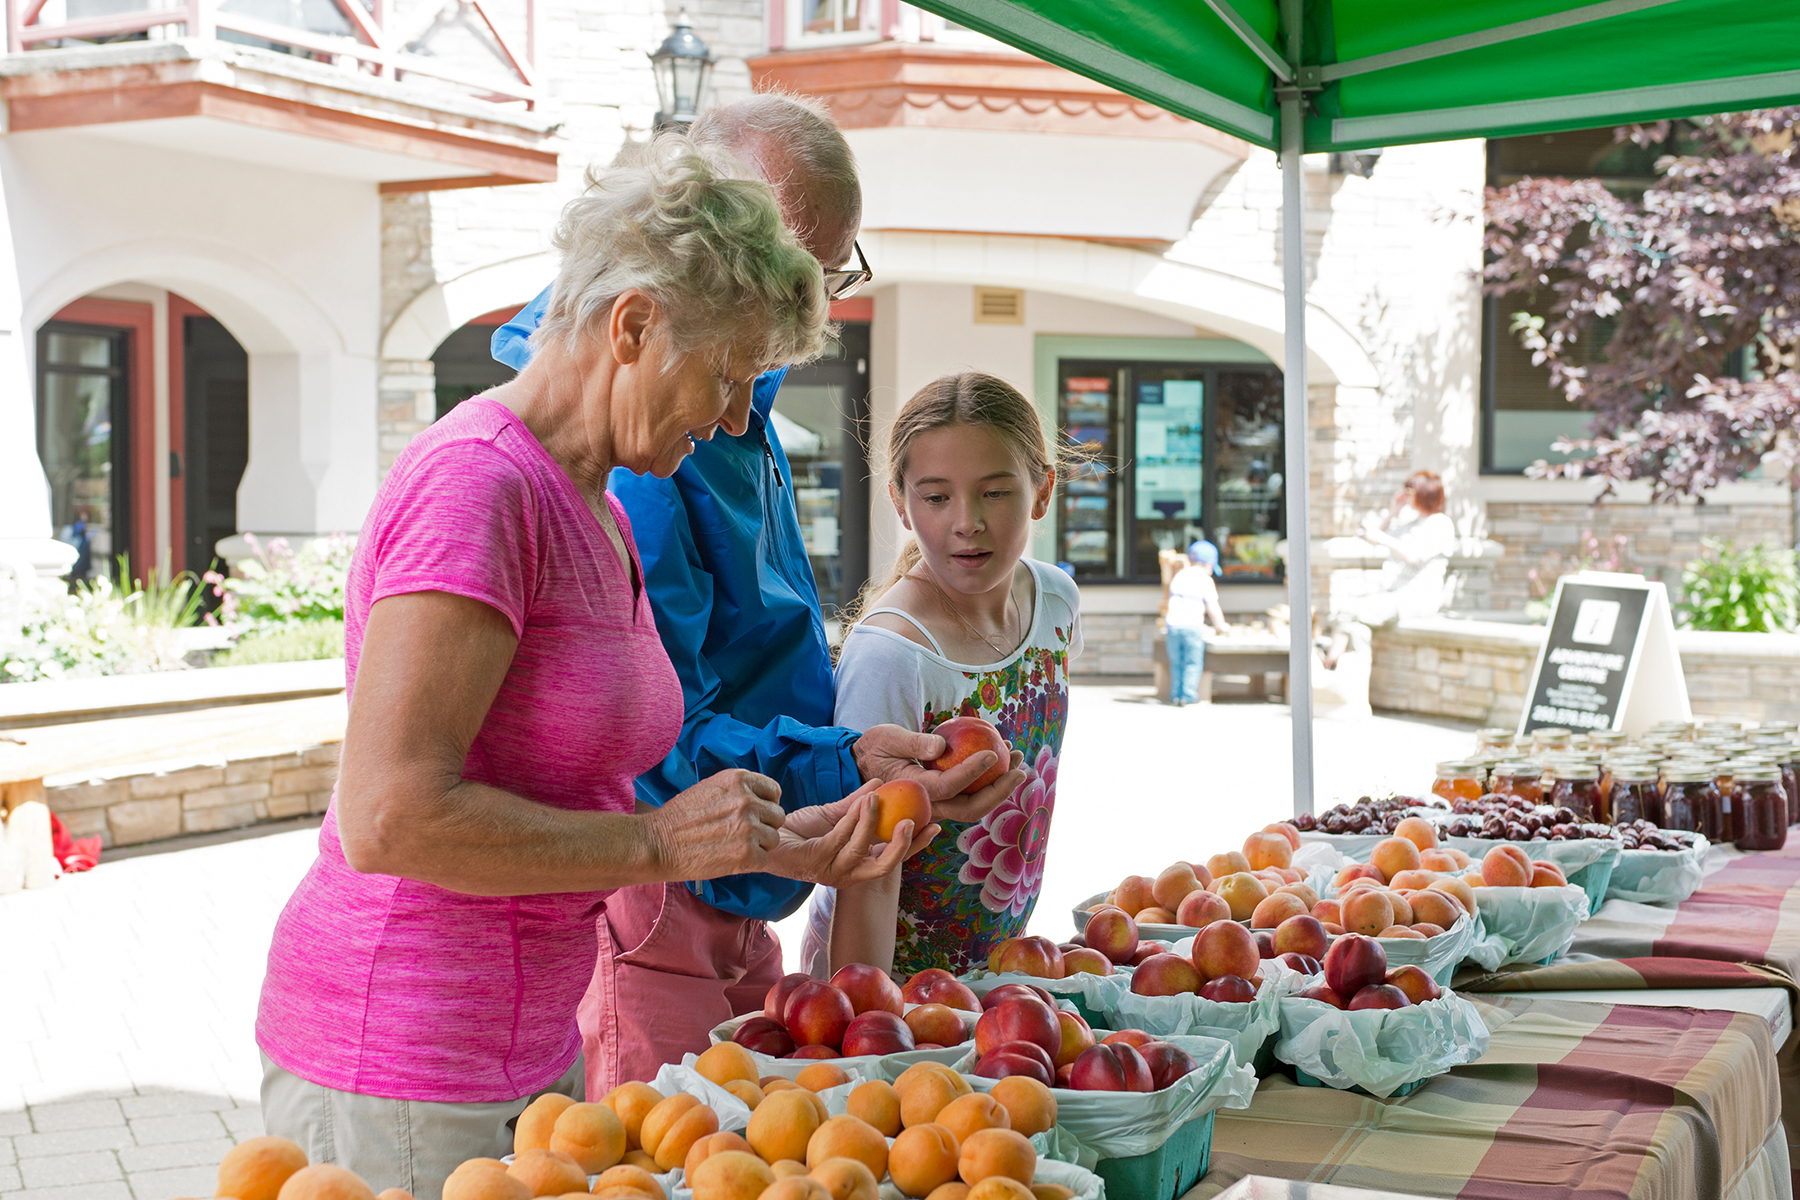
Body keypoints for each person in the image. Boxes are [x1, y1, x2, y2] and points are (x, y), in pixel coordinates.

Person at [254, 137, 919, 1200]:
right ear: (635, 325)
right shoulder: (479, 487)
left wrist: (781, 837)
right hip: (406, 1051)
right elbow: (388, 817)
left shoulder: (597, 505)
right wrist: (656, 843)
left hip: (523, 1038)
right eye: (730, 373)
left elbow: (585, 781)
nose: (738, 417)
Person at [491, 95, 1026, 1099]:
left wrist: (859, 765)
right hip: (663, 891)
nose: (810, 315)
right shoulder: (621, 445)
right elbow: (656, 742)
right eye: (801, 277)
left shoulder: (738, 399)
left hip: (741, 872)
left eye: (833, 276)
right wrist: (844, 763)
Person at [803, 372, 1083, 979]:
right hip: (885, 985)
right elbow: (869, 863)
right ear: (901, 504)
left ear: (1042, 491)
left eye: (995, 492)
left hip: (996, 972)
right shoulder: (892, 653)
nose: (967, 521)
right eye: (936, 497)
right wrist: (865, 1030)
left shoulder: (1056, 602)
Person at [1323, 468, 1457, 668]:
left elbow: (1413, 556)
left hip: (1416, 598)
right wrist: (1392, 511)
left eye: (1411, 492)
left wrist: (1384, 539)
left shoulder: (1440, 524)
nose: (1407, 496)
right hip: (1392, 596)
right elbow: (1370, 537)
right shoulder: (1411, 524)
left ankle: (1329, 666)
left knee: (1345, 611)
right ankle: (1354, 683)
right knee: (1357, 629)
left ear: (1425, 493)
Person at [1165, 539, 1231, 706]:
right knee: (1192, 663)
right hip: (1192, 626)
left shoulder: (1179, 576)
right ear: (1208, 564)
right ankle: (1187, 697)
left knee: (1176, 662)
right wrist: (1221, 626)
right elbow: (1212, 607)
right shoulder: (1205, 580)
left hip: (1172, 626)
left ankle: (1175, 695)